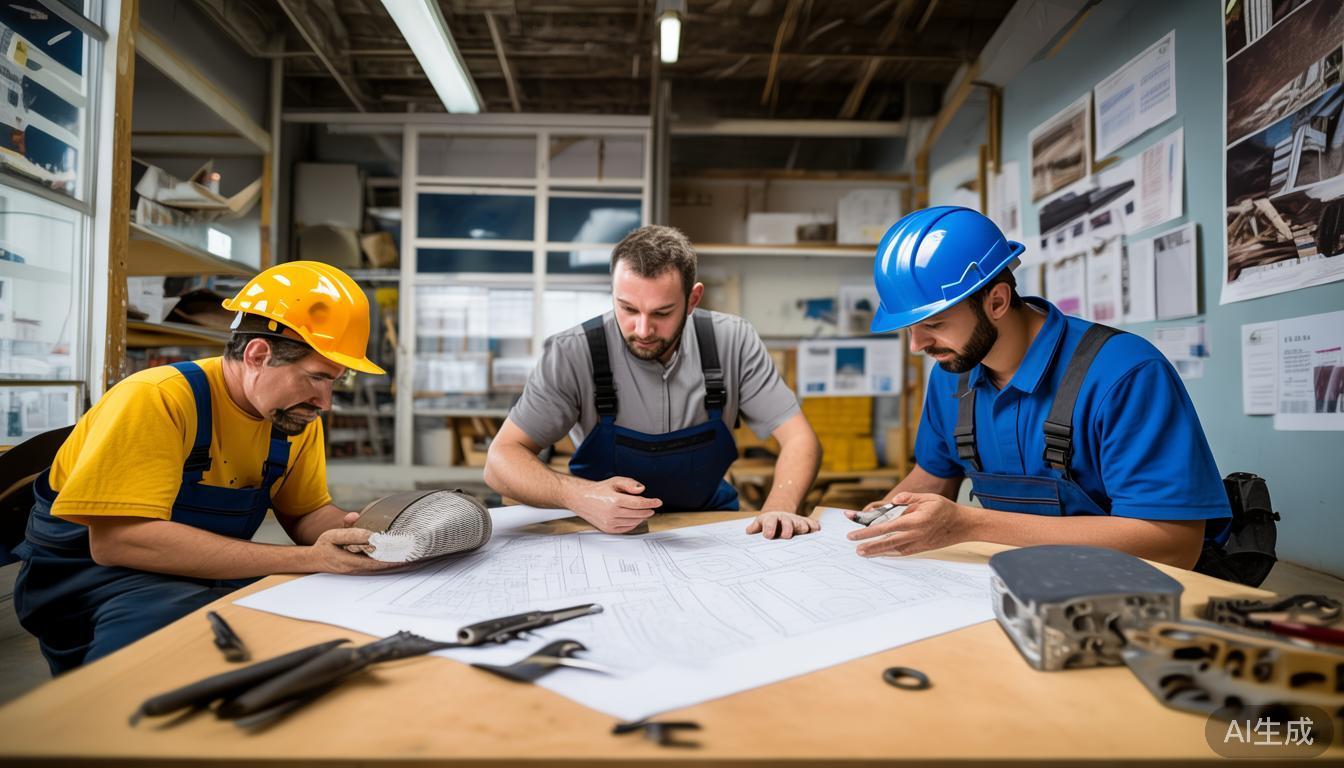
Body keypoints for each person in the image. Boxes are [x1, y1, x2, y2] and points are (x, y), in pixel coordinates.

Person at [12, 261, 402, 674]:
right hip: (93, 581)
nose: (324, 402)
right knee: (171, 660)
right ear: (257, 354)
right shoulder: (156, 399)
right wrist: (312, 559)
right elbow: (116, 542)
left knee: (312, 629)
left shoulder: (290, 419)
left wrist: (366, 535)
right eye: (316, 378)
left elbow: (305, 513)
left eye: (334, 383)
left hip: (199, 573)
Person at [848, 207, 1231, 567]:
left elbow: (1174, 544)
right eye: (909, 329)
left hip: (1122, 596)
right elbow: (934, 474)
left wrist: (972, 524)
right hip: (1007, 581)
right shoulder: (952, 373)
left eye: (935, 324)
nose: (917, 345)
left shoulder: (1125, 374)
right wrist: (882, 519)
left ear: (996, 301)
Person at [485, 225, 821, 538]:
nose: (643, 330)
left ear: (693, 299)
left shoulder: (733, 341)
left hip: (706, 527)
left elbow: (800, 440)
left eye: (661, 313)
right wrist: (578, 495)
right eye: (628, 308)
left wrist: (779, 507)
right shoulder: (572, 352)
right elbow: (500, 462)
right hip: (604, 532)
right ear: (613, 292)